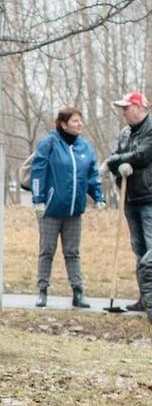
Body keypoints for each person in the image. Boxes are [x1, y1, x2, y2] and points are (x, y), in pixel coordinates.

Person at [29, 106, 105, 308]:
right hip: (50, 211)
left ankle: (77, 292)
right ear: (63, 124)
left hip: (74, 212)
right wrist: (38, 199)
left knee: (72, 252)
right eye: (75, 121)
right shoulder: (49, 143)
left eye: (80, 121)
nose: (79, 124)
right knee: (47, 250)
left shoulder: (84, 148)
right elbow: (38, 171)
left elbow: (91, 175)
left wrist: (98, 196)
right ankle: (42, 291)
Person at [105, 91, 152, 320]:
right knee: (139, 249)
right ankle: (145, 297)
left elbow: (143, 155)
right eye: (122, 108)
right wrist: (119, 163)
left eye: (127, 107)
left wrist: (120, 161)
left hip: (149, 198)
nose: (123, 112)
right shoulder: (125, 133)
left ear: (139, 107)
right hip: (130, 197)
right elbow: (114, 158)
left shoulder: (150, 128)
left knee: (150, 254)